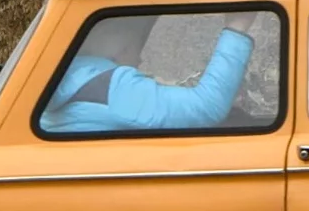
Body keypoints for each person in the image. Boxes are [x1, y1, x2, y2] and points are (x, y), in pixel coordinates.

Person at [44, 10, 265, 133]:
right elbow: (206, 107)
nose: (139, 60)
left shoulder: (72, 78)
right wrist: (237, 26)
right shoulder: (113, 87)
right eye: (139, 47)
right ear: (122, 46)